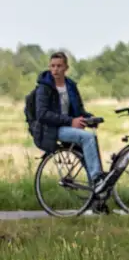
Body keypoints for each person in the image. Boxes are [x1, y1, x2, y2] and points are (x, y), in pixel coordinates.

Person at [31, 52, 105, 189]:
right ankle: (97, 180)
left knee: (91, 144)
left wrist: (90, 118)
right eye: (52, 66)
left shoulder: (70, 85)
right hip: (51, 129)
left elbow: (79, 110)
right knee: (87, 137)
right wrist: (71, 121)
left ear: (66, 67)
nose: (55, 69)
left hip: (67, 126)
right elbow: (42, 114)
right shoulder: (44, 87)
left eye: (59, 66)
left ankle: (97, 197)